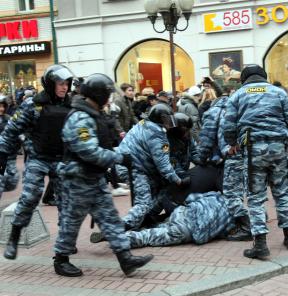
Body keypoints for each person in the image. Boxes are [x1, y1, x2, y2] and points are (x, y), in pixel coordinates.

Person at [53, 73, 153, 277]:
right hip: (78, 180)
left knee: (110, 219)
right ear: (98, 95)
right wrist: (118, 157)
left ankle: (126, 258)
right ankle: (61, 259)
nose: (109, 98)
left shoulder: (94, 113)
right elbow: (88, 151)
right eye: (106, 93)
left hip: (94, 178)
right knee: (71, 222)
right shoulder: (81, 117)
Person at [223, 64, 288, 259]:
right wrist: (284, 141)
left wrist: (233, 143)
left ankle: (261, 245)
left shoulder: (238, 95)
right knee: (283, 192)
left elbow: (228, 125)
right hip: (279, 148)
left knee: (256, 197)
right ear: (264, 76)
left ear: (243, 79)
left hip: (253, 150)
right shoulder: (280, 93)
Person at [1, 64, 74, 260]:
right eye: (60, 83)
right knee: (30, 197)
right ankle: (14, 237)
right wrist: (2, 155)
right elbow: (10, 131)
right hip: (38, 159)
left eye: (67, 83)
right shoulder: (33, 105)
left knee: (67, 203)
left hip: (61, 160)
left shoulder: (72, 106)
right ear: (50, 84)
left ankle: (64, 243)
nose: (64, 87)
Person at [117, 104, 190, 230]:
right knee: (143, 201)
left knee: (159, 188)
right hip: (134, 168)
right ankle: (119, 228)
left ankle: (146, 218)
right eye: (167, 120)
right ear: (160, 118)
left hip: (130, 164)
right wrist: (178, 180)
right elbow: (163, 164)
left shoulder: (145, 124)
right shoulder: (156, 134)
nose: (169, 124)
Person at [197, 85, 251, 241]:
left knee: (230, 193)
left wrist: (201, 159)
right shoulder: (241, 109)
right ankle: (242, 221)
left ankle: (246, 226)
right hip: (251, 154)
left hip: (231, 155)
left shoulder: (213, 112)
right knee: (241, 191)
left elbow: (206, 140)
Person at [126, 191, 234, 248]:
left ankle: (133, 226)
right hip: (187, 231)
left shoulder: (216, 195)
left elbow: (190, 198)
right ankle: (123, 239)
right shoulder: (231, 219)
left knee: (165, 224)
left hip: (182, 213)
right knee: (151, 236)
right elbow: (222, 233)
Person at [0, 96, 19, 197]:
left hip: (9, 155)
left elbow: (17, 131)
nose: (1, 109)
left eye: (3, 106)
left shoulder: (8, 119)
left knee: (13, 180)